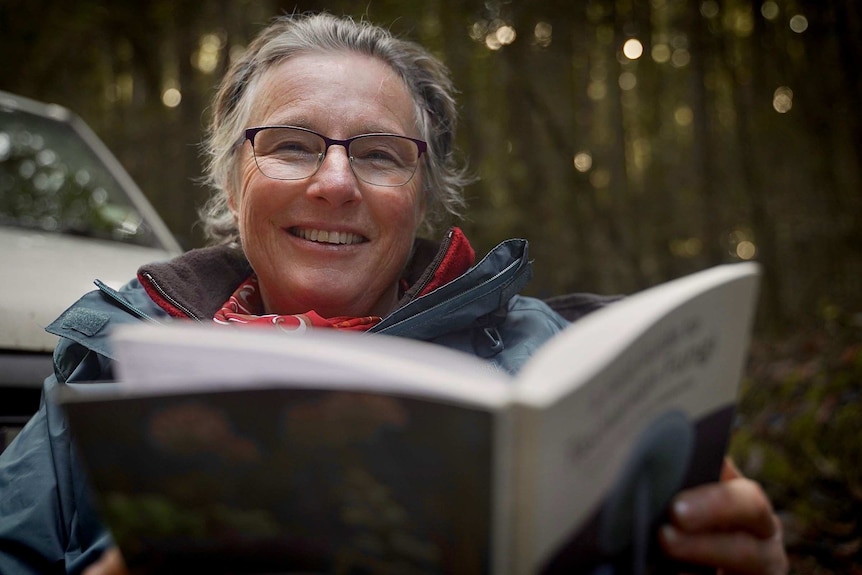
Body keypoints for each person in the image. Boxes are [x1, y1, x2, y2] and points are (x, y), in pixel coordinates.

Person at [0, 12, 787, 575]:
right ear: (233, 179)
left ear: (424, 194)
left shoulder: (565, 354)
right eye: (294, 145)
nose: (335, 182)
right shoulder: (104, 356)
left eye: (379, 155)